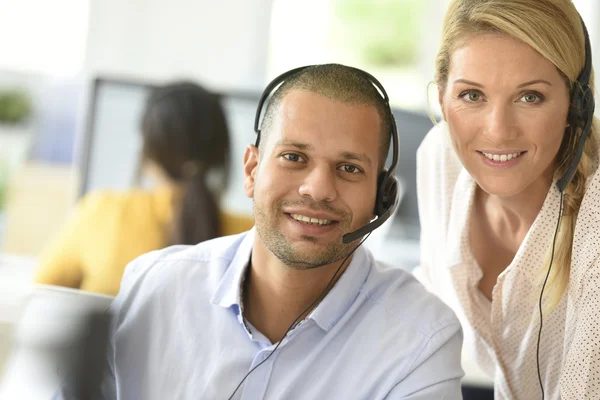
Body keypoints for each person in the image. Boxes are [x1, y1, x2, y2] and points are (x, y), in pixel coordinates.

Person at [93, 64, 463, 399]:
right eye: (294, 157)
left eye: (349, 168)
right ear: (252, 171)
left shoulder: (420, 338)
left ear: (382, 198)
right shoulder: (155, 288)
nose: (317, 189)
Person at [415, 0, 600, 398]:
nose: (498, 131)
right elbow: (427, 306)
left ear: (576, 105)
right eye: (472, 95)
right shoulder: (440, 160)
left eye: (530, 97)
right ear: (443, 95)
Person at [34, 82, 254, 296]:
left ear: (148, 150)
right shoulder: (250, 237)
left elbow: (39, 296)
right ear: (220, 154)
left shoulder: (102, 211)